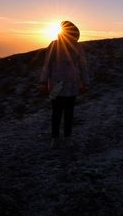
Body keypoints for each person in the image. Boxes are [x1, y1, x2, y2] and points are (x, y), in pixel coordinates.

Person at [40, 21, 89, 149]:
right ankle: (55, 138)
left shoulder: (77, 47)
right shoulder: (54, 46)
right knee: (57, 113)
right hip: (57, 86)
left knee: (68, 113)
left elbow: (83, 66)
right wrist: (43, 83)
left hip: (71, 86)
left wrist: (85, 83)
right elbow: (47, 65)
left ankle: (67, 137)